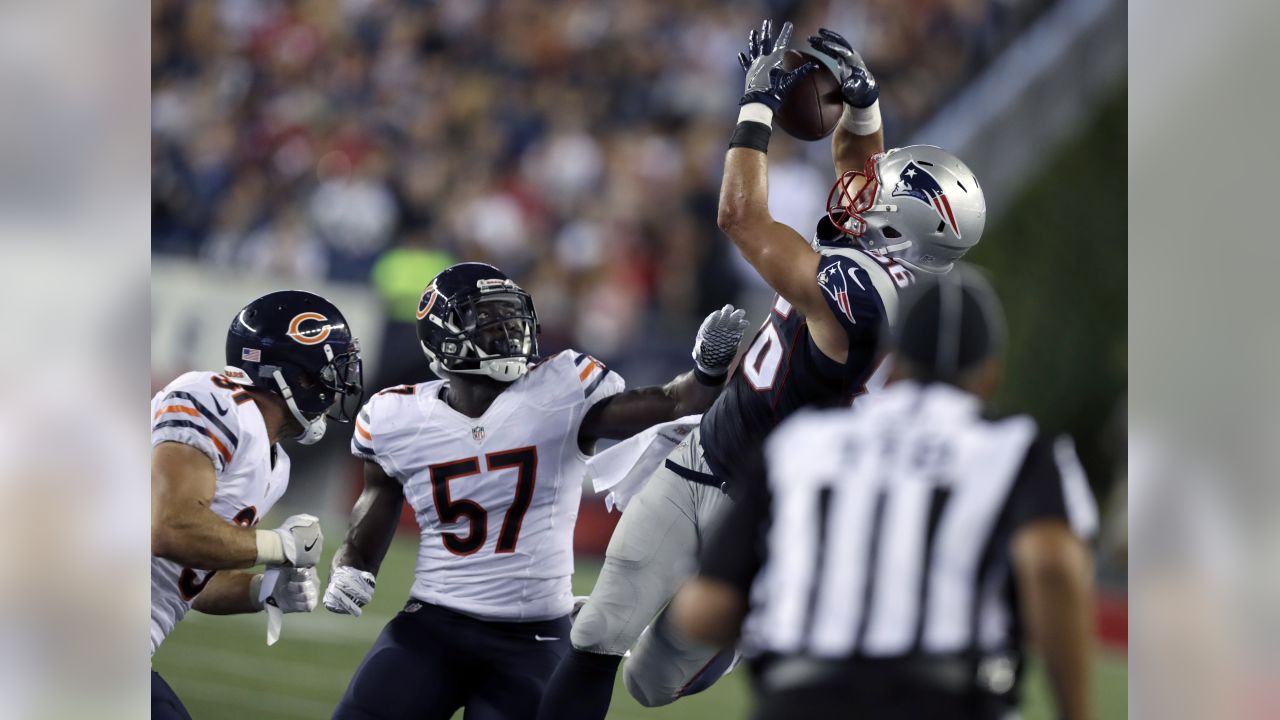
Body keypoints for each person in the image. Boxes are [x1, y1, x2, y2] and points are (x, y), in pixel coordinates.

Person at [537, 21, 989, 718]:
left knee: (648, 684)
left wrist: (754, 105)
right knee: (598, 631)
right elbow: (857, 172)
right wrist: (863, 105)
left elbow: (740, 216)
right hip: (705, 451)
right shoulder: (881, 256)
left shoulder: (861, 297)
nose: (863, 190)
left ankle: (724, 641)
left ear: (899, 227)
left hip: (762, 506)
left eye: (881, 194)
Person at [322, 261, 749, 720]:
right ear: (443, 339)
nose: (508, 330)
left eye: (511, 316)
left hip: (534, 638)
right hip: (431, 625)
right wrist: (356, 563)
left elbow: (671, 403)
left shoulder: (560, 388)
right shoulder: (395, 416)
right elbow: (380, 492)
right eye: (488, 321)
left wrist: (706, 370)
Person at [672, 267, 1098, 720]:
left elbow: (705, 611)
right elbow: (1052, 563)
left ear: (891, 363)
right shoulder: (1019, 447)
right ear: (990, 373)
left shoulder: (802, 442)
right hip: (946, 697)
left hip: (800, 698)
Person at [150, 291, 365, 719]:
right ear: (293, 376)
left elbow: (190, 582)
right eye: (329, 373)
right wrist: (276, 546)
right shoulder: (215, 399)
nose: (337, 387)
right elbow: (169, 528)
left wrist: (261, 591)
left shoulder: (274, 464)